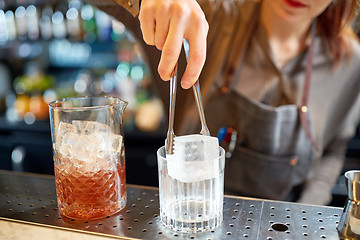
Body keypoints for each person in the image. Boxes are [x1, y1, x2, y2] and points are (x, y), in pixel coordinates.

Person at [89, 0, 360, 205]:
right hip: (189, 211)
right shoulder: (207, 14)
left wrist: (303, 218)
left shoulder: (349, 62)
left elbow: (332, 151)